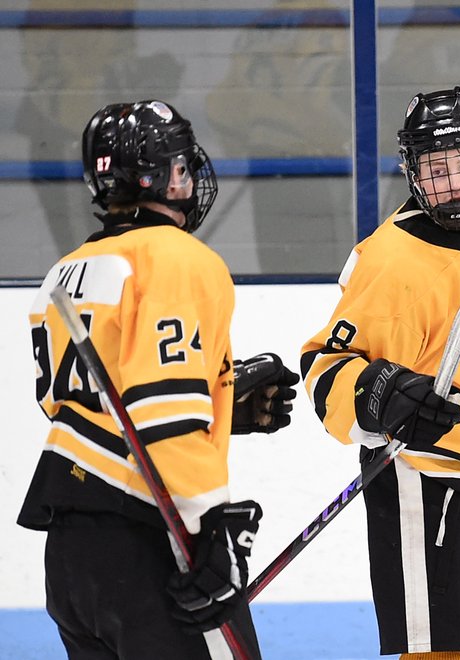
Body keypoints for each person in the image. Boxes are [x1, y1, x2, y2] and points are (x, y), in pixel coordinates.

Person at [18, 100, 299, 659]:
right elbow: (162, 416)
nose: (189, 179)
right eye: (180, 167)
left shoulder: (65, 270)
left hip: (70, 557)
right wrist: (211, 533)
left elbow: (74, 406)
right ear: (160, 176)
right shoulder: (178, 259)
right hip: (153, 538)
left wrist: (217, 399)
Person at [299, 87, 460, 660]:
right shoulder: (392, 265)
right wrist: (384, 392)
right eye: (438, 168)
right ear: (413, 173)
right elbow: (324, 367)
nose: (455, 182)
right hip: (422, 483)